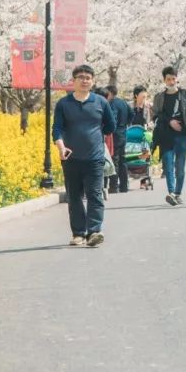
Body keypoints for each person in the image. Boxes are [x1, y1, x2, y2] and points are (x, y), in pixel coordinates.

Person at [52, 65, 116, 247]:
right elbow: (56, 129)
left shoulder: (101, 103)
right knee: (74, 197)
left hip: (95, 158)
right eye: (80, 77)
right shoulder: (64, 104)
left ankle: (94, 231)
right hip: (70, 158)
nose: (84, 80)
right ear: (73, 81)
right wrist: (61, 147)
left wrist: (94, 136)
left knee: (95, 195)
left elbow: (110, 126)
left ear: (93, 81)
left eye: (88, 77)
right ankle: (78, 233)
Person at [152, 67, 186, 206]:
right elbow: (156, 114)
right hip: (166, 135)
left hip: (182, 134)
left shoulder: (185, 94)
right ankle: (172, 192)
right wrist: (169, 121)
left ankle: (177, 193)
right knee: (168, 164)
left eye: (173, 79)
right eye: (168, 79)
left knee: (180, 165)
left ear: (177, 79)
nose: (171, 82)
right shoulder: (159, 97)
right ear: (164, 80)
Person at [103, 86, 132, 193]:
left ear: (110, 93)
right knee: (123, 161)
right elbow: (131, 114)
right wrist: (125, 125)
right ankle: (124, 186)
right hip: (123, 133)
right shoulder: (123, 102)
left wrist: (110, 128)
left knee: (114, 159)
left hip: (114, 135)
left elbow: (113, 118)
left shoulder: (112, 104)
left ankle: (113, 186)